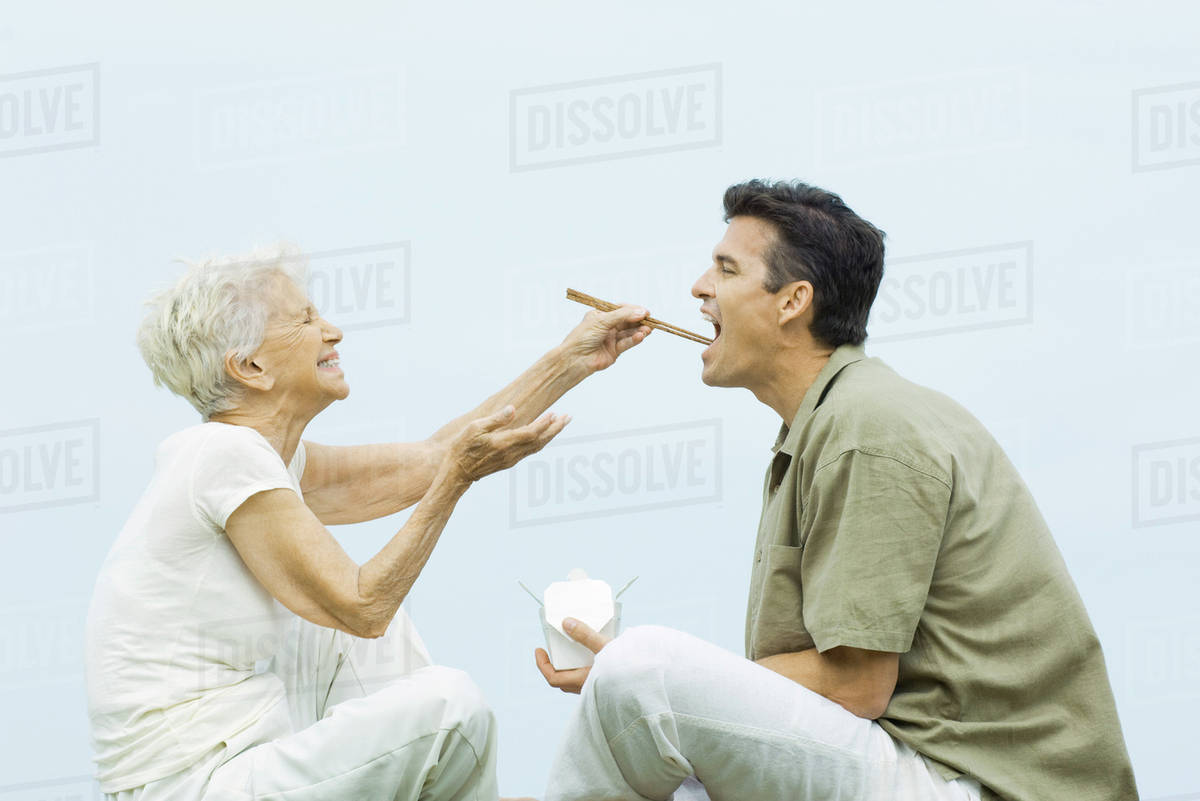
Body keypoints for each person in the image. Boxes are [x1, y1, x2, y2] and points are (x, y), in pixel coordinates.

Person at [534, 180, 1138, 801]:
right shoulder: (828, 423)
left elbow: (855, 688)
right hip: (918, 762)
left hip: (977, 782)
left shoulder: (867, 427)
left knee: (645, 667)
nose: (698, 288)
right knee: (659, 732)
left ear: (793, 301)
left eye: (725, 268)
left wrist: (659, 685)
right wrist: (662, 696)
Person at [85, 243, 652, 801]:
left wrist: (571, 358)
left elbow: (431, 461)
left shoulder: (259, 458)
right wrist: (458, 480)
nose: (332, 330)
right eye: (305, 319)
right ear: (250, 367)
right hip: (194, 786)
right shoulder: (224, 455)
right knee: (448, 705)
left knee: (339, 621)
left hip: (244, 755)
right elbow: (363, 605)